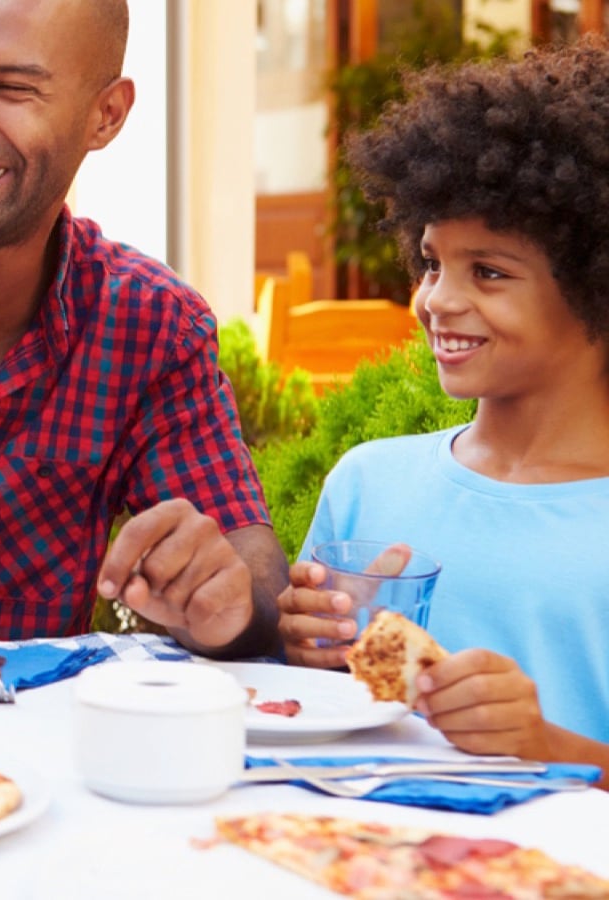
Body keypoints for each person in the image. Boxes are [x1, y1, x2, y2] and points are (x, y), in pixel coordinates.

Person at [0, 0, 286, 653]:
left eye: (12, 89)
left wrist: (222, 596)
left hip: (18, 745)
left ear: (107, 115)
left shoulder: (147, 324)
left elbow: (247, 564)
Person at [277, 38, 609, 785]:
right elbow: (321, 709)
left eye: (487, 272)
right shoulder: (368, 482)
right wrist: (304, 649)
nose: (436, 300)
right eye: (432, 262)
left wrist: (547, 745)